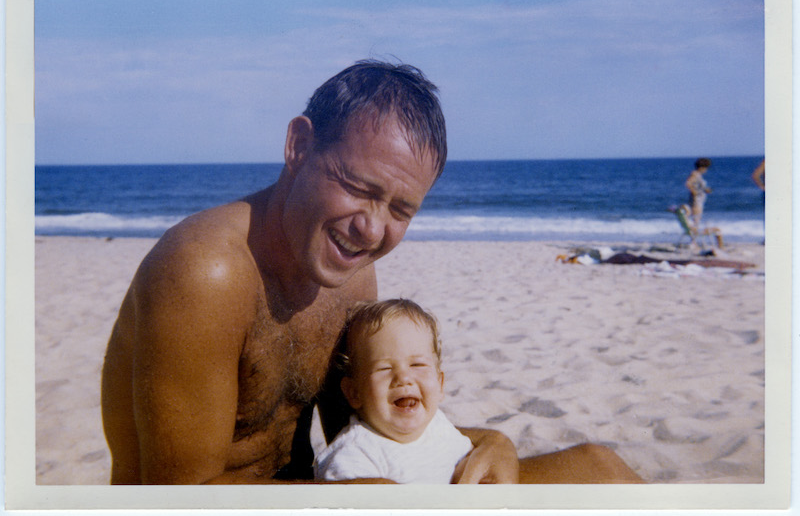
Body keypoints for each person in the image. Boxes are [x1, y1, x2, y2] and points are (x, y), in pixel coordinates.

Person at [101, 59, 642, 485]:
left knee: (602, 470)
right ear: (299, 145)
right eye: (358, 188)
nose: (371, 228)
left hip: (325, 491)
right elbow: (174, 498)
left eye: (401, 209)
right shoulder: (206, 272)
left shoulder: (348, 273)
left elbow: (363, 430)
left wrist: (489, 442)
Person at [314, 299, 475, 483]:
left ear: (440, 384)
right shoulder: (354, 455)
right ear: (354, 392)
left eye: (417, 364)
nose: (403, 377)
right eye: (384, 368)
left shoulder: (440, 426)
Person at [685, 157, 713, 230]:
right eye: (706, 168)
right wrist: (694, 193)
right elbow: (688, 183)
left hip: (699, 200)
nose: (706, 170)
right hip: (696, 200)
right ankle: (693, 240)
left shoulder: (698, 175)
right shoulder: (695, 174)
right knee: (696, 220)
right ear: (702, 167)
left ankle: (693, 240)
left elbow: (696, 186)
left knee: (696, 220)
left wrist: (704, 190)